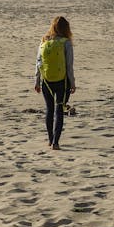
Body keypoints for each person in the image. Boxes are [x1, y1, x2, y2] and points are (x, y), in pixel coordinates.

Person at [34, 16, 76, 150]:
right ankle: (56, 143)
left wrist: (37, 81)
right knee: (59, 110)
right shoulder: (66, 42)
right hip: (61, 82)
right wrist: (72, 82)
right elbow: (69, 66)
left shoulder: (44, 41)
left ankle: (50, 139)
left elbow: (38, 62)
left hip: (46, 81)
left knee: (49, 110)